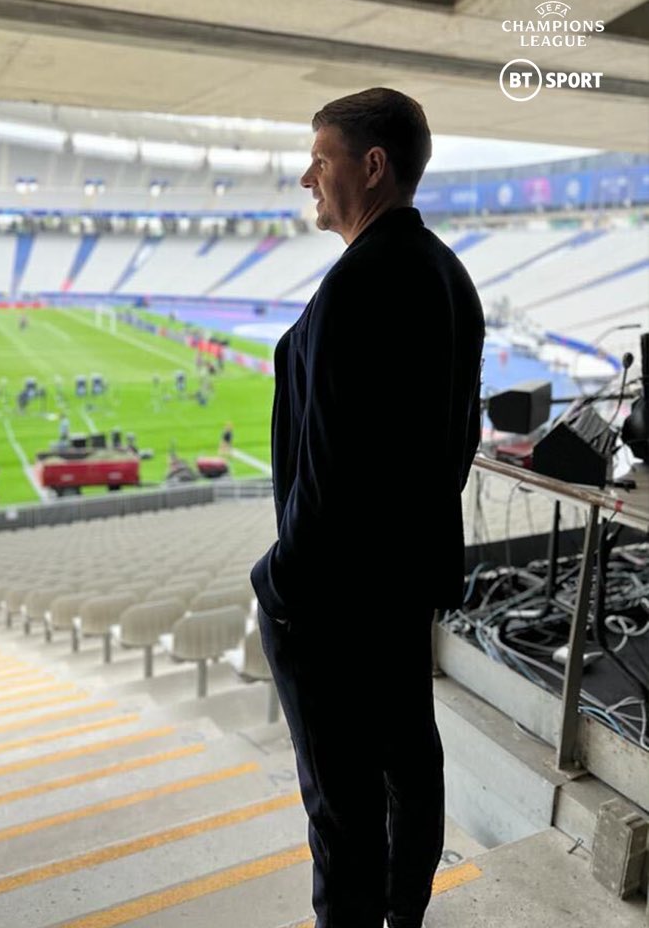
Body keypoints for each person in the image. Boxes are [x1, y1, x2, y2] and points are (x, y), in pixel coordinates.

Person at [250, 88, 484, 928]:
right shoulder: (448, 275)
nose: (306, 174)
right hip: (402, 580)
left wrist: (277, 584)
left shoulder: (360, 286)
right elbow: (458, 441)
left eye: (322, 156)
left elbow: (327, 472)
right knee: (407, 767)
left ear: (372, 166)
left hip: (334, 603)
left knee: (341, 808)